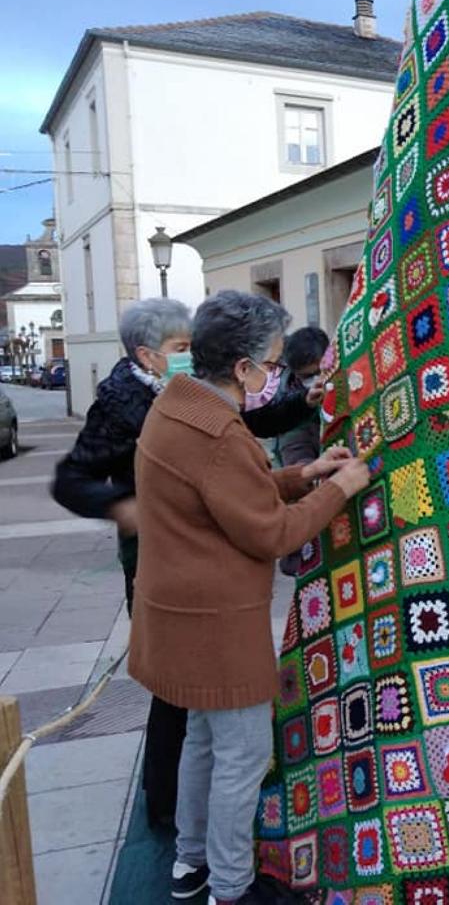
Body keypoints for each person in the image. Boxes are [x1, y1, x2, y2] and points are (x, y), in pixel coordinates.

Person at [127, 291, 369, 905]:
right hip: (215, 624)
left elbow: (225, 494)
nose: (275, 376)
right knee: (241, 756)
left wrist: (303, 475)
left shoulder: (176, 407)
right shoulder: (218, 433)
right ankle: (231, 888)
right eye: (270, 364)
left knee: (201, 744)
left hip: (175, 614)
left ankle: (190, 862)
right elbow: (271, 532)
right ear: (241, 368)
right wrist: (339, 488)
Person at [50, 298, 323, 828]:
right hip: (178, 567)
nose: (189, 357)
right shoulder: (140, 404)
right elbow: (266, 524)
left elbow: (243, 428)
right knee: (189, 706)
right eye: (180, 349)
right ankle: (180, 828)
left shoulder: (181, 400)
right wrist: (125, 507)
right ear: (148, 355)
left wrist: (298, 420)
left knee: (195, 714)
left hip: (186, 555)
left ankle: (186, 837)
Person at [273, 326, 330, 578]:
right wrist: (312, 472)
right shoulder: (288, 396)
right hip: (309, 487)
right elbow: (294, 448)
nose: (313, 380)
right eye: (306, 376)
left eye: (317, 372)